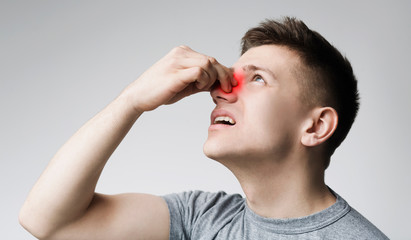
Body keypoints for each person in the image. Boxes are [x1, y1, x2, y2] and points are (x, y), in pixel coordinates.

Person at [19, 17, 388, 239]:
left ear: (316, 125)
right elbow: (48, 222)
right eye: (231, 78)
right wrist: (132, 100)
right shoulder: (202, 219)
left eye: (257, 79)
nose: (221, 92)